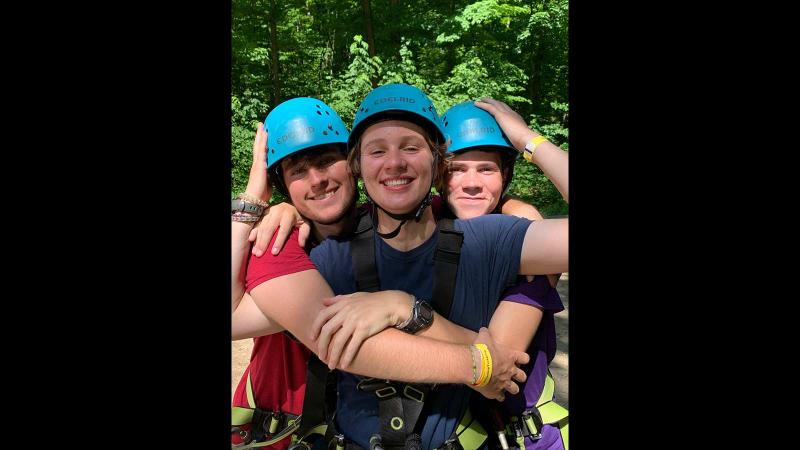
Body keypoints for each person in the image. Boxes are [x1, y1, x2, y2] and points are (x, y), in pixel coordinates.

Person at [230, 97, 531, 449]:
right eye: (298, 172)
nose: (318, 180)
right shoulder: (280, 243)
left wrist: (516, 205)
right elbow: (334, 339)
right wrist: (251, 204)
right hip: (287, 428)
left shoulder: (398, 219)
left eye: (328, 161)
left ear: (352, 165)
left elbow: (465, 201)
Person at [292, 83, 568, 450]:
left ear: (436, 163)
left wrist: (527, 139)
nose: (394, 162)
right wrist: (255, 208)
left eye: (411, 147)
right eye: (377, 150)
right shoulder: (330, 257)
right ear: (357, 166)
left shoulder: (489, 241)